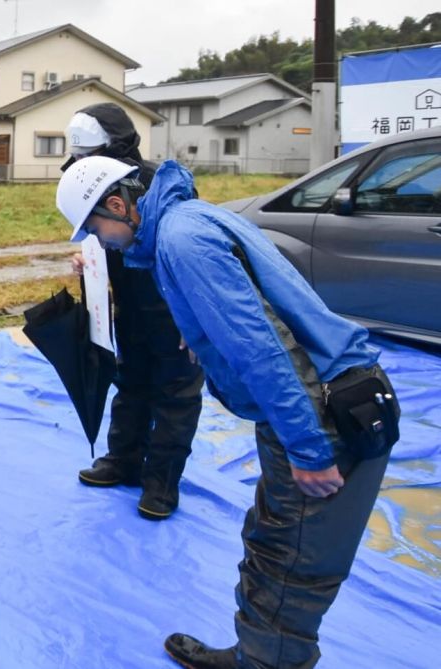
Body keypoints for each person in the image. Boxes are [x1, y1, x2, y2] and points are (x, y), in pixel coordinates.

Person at [56, 156, 400, 669]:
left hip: (318, 411)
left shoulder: (181, 241)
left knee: (292, 564)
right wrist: (199, 331)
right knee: (270, 539)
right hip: (310, 403)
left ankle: (266, 662)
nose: (100, 240)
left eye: (95, 228)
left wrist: (309, 448)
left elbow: (265, 351)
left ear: (117, 205)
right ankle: (253, 655)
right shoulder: (190, 220)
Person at [63, 103, 204, 520]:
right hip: (128, 305)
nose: (84, 166)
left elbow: (191, 253)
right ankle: (123, 459)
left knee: (176, 393)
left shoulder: (159, 186)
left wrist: (192, 315)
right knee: (131, 382)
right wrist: (87, 262)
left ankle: (162, 481)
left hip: (171, 306)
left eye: (90, 158)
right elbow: (98, 234)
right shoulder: (92, 181)